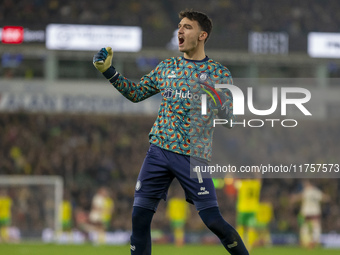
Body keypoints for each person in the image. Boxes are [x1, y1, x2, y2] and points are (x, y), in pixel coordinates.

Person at [93, 10, 249, 255]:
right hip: (158, 153)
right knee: (139, 218)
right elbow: (135, 94)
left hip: (193, 156)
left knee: (214, 221)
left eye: (187, 27)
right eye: (179, 26)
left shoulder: (219, 74)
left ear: (202, 35)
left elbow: (230, 120)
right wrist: (108, 71)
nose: (180, 31)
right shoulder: (167, 67)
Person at [291, 180, 330, 248]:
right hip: (315, 211)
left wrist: (294, 198)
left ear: (308, 184)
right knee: (316, 226)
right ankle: (314, 241)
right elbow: (325, 198)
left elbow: (300, 197)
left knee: (305, 226)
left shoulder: (306, 191)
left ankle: (305, 241)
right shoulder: (316, 191)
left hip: (306, 212)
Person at [235, 179, 261, 251]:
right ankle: (249, 245)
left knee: (240, 227)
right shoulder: (255, 184)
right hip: (253, 209)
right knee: (251, 228)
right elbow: (259, 180)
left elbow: (234, 183)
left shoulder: (242, 184)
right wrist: (257, 172)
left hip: (242, 208)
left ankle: (239, 244)